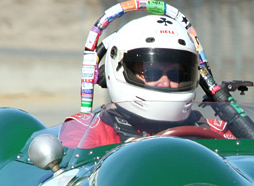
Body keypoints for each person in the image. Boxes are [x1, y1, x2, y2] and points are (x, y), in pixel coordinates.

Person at [59, 15, 234, 149]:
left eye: (176, 75)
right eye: (152, 73)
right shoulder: (87, 130)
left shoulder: (214, 130)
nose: (165, 83)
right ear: (118, 69)